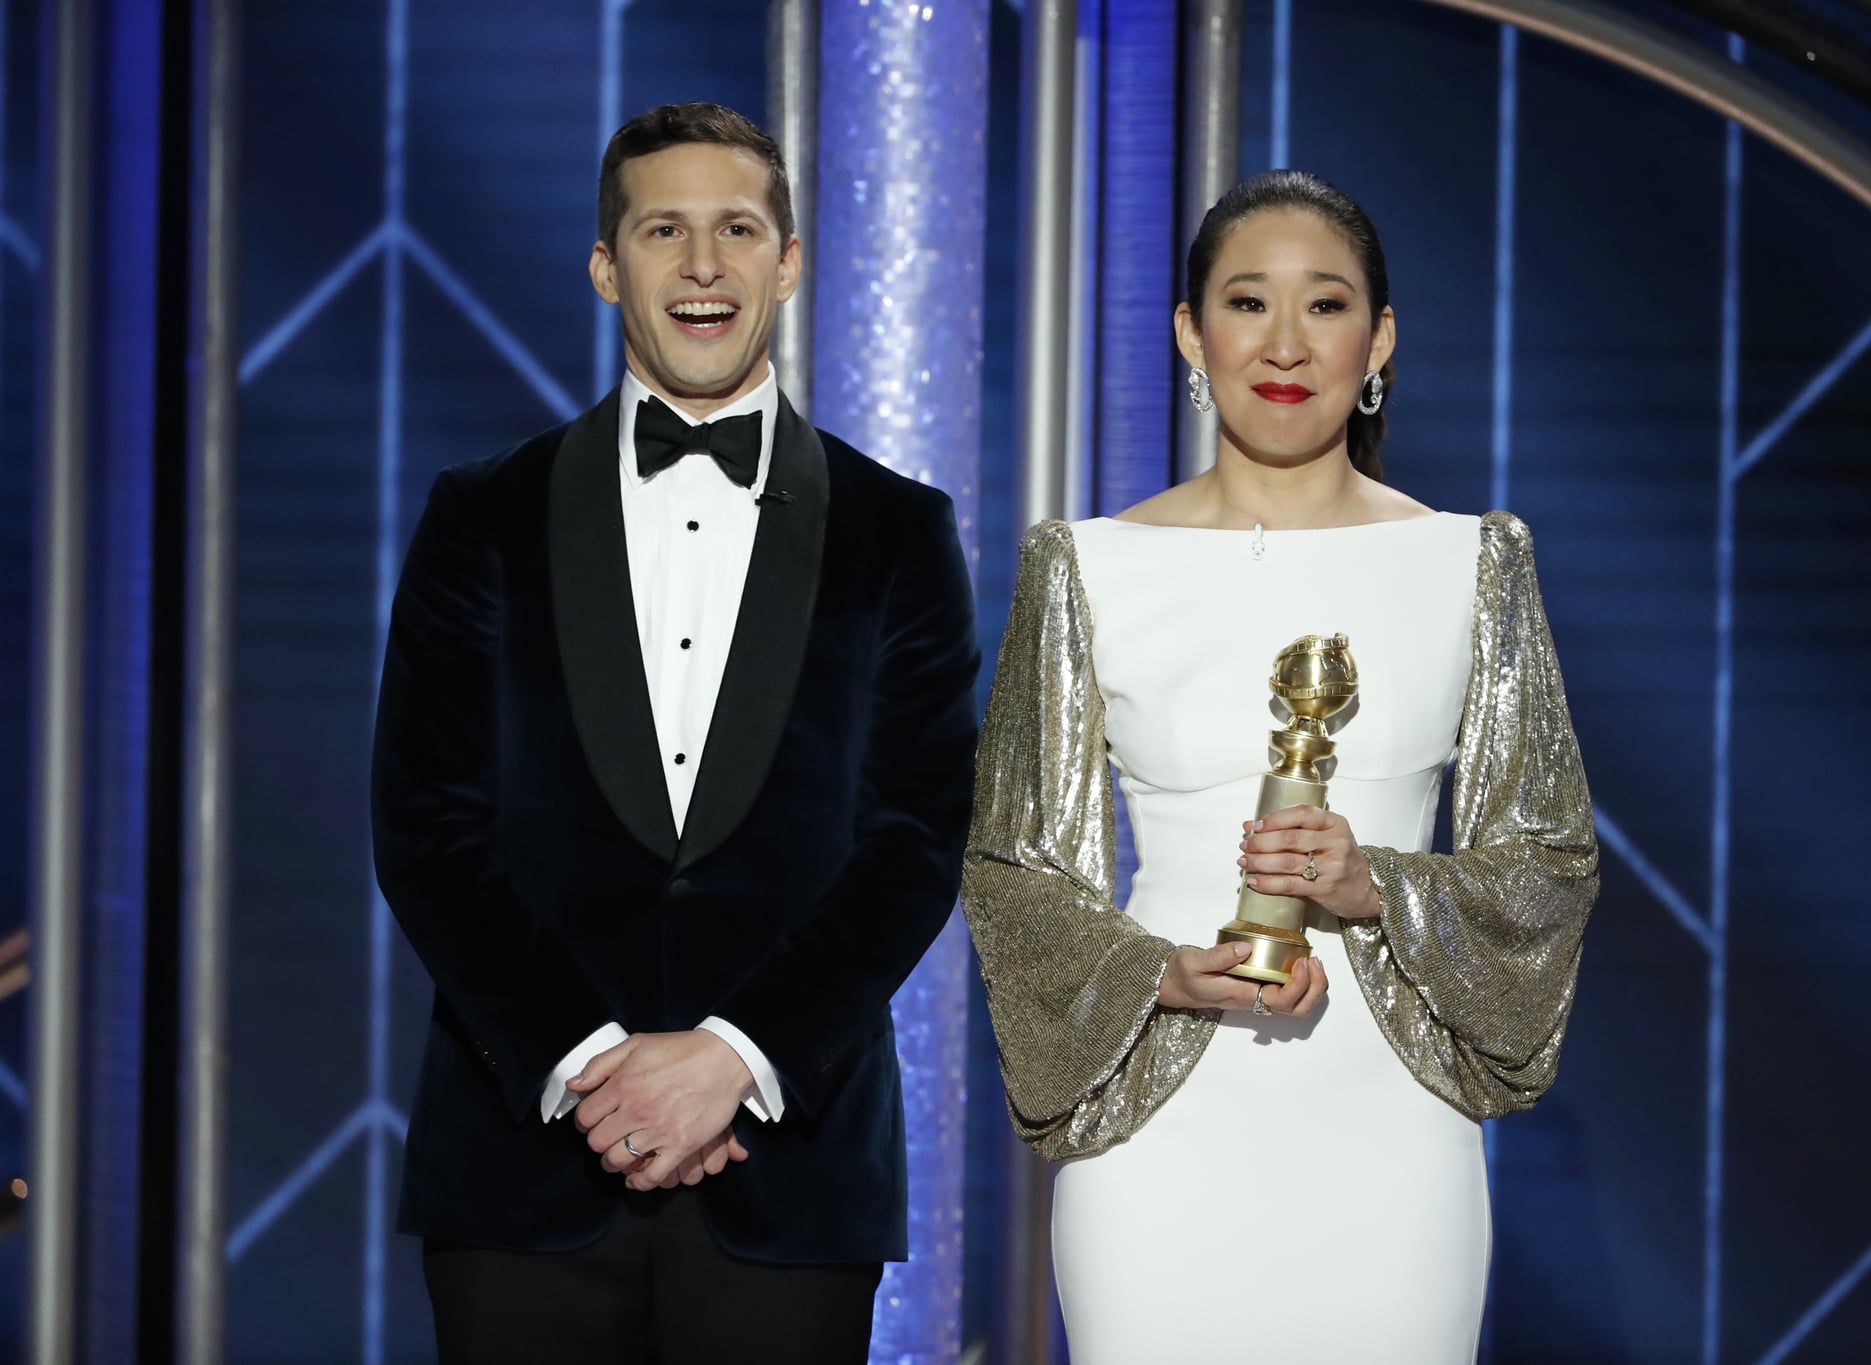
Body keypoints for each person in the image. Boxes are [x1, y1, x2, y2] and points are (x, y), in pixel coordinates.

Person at [370, 102, 978, 1363]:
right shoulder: (480, 514)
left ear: (788, 260)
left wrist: (730, 1061)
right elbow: (425, 822)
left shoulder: (899, 530)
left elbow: (918, 836)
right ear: (608, 266)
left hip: (788, 1175)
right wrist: (591, 1066)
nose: (702, 264)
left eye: (736, 229)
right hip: (520, 1174)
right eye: (664, 231)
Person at [962, 169, 1599, 1362]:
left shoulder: (1470, 562)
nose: (1286, 343)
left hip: (1387, 1123)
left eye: (1326, 304)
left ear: (1379, 339)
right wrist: (1162, 976)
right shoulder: (1088, 565)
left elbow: (1548, 862)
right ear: (1190, 335)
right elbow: (1013, 872)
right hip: (1163, 1119)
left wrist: (1379, 887)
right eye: (1248, 303)